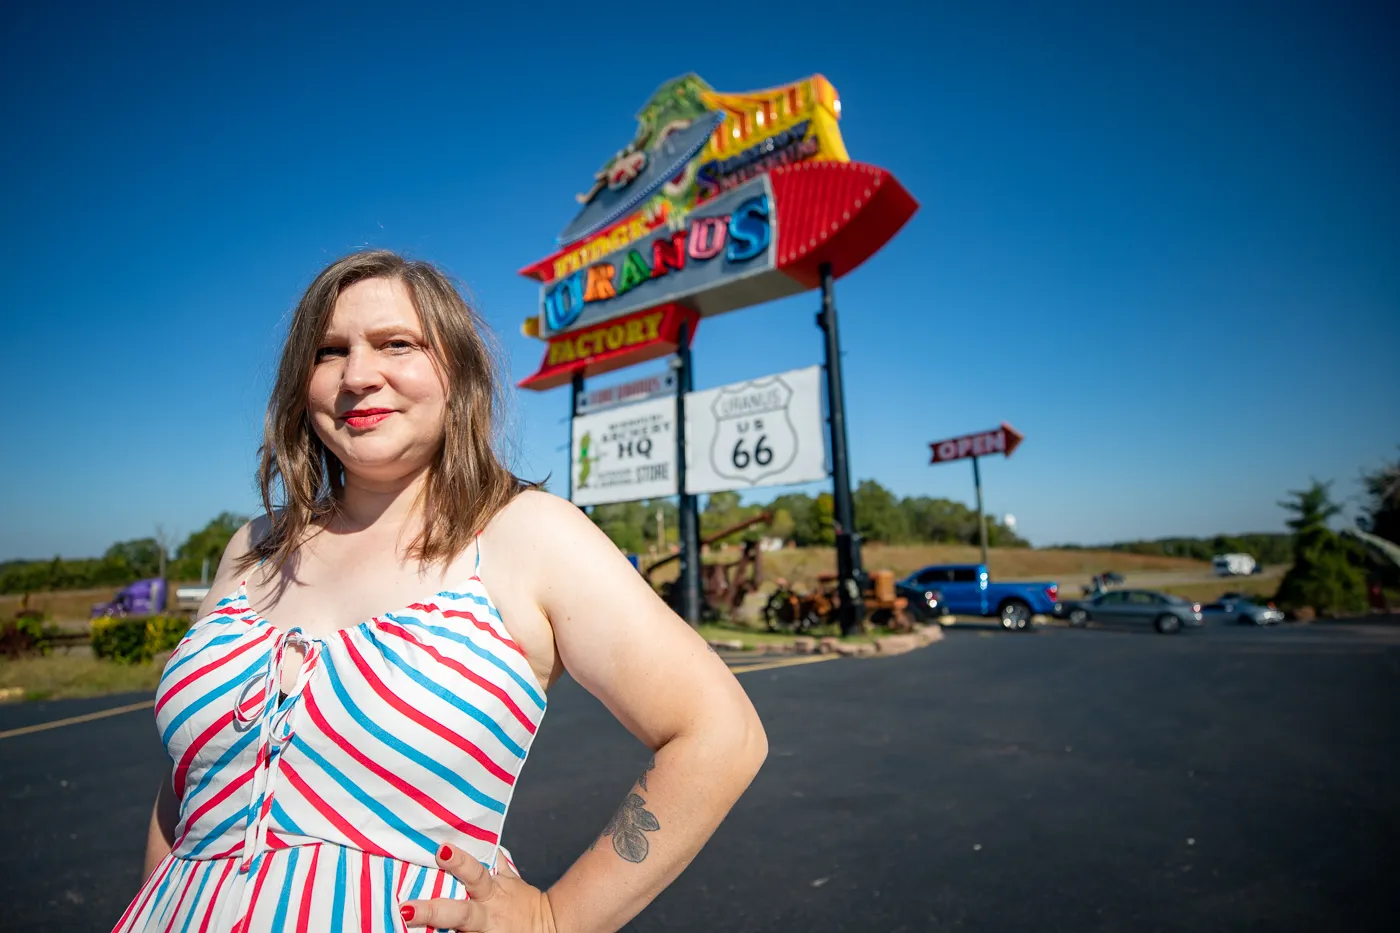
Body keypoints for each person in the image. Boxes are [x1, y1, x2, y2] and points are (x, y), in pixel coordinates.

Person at [115, 250, 768, 932]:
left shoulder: (528, 537)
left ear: (456, 372)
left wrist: (557, 917)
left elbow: (720, 733)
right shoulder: (252, 548)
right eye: (329, 352)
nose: (359, 375)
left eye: (396, 344)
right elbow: (188, 782)